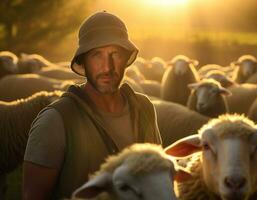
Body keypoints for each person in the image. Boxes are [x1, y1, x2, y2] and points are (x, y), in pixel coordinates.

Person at [22, 11, 162, 199]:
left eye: (116, 54)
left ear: (126, 60)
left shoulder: (144, 108)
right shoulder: (55, 120)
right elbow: (33, 196)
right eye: (97, 55)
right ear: (83, 61)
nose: (107, 67)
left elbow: (156, 174)